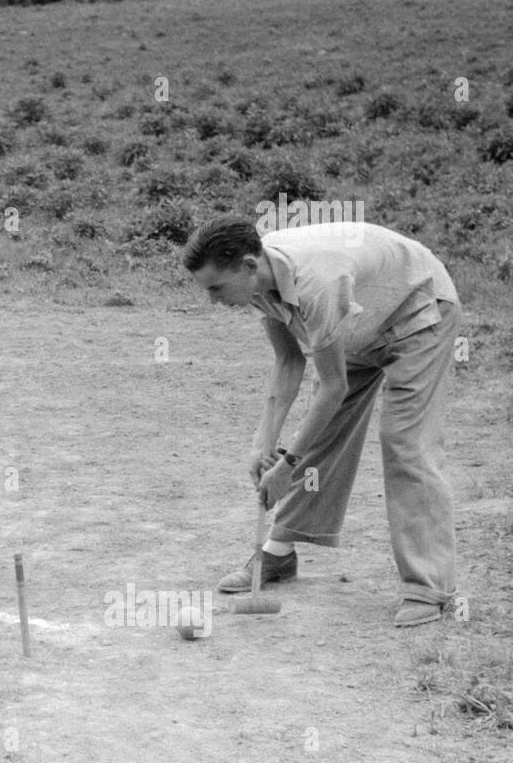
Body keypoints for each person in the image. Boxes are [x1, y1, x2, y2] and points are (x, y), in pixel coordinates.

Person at [182, 215, 462, 627]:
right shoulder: (260, 280)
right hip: (361, 321)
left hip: (417, 313)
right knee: (324, 429)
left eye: (216, 289)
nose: (213, 301)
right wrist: (265, 442)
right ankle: (278, 552)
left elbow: (333, 385)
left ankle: (429, 587)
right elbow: (289, 360)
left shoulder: (317, 283)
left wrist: (289, 464)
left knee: (403, 440)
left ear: (246, 266)